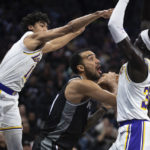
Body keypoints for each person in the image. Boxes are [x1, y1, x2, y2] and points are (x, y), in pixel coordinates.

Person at [0, 9, 113, 150]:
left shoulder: (37, 48)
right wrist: (98, 14)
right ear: (31, 27)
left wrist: (77, 32)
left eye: (47, 26)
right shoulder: (29, 38)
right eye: (42, 25)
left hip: (11, 98)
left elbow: (56, 44)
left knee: (16, 146)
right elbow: (68, 27)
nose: (45, 29)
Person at [32, 49, 118, 150]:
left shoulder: (85, 90)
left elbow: (81, 129)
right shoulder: (78, 84)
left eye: (96, 57)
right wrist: (113, 82)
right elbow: (117, 100)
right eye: (91, 58)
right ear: (81, 68)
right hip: (48, 146)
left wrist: (103, 109)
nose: (98, 60)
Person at [108, 0, 150, 149]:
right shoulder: (143, 64)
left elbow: (114, 25)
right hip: (131, 127)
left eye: (137, 40)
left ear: (142, 47)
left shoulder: (140, 65)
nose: (134, 40)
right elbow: (146, 23)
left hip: (135, 130)